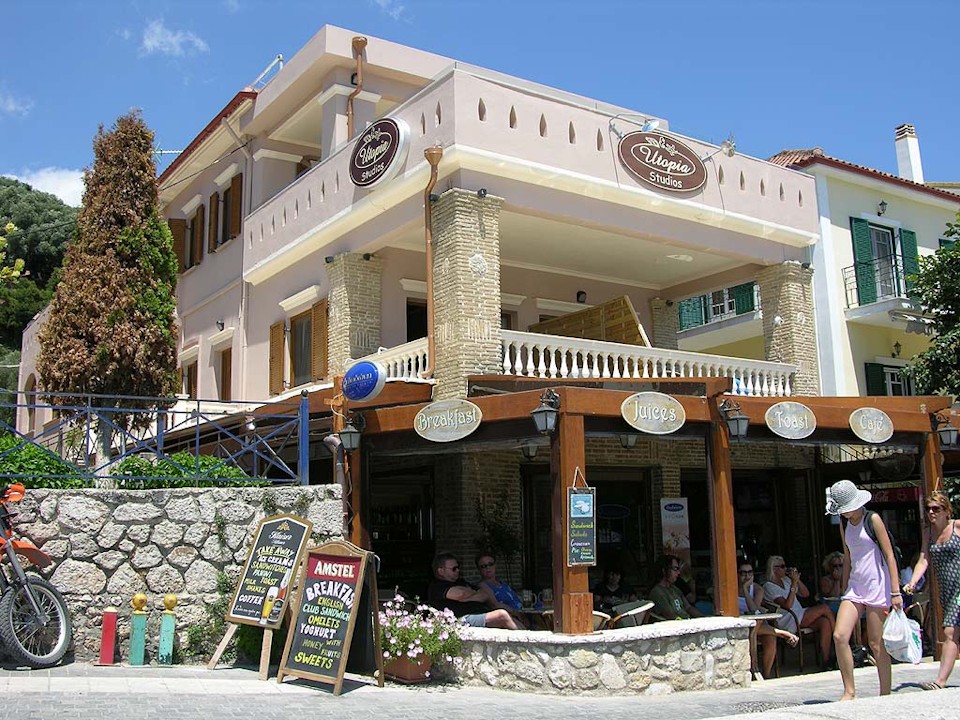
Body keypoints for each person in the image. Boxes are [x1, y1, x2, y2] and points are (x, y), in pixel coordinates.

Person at [826, 479, 902, 700]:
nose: (844, 513)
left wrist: (895, 591)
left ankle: (885, 692)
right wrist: (844, 587)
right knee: (840, 635)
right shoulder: (844, 524)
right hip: (855, 586)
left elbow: (889, 555)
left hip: (877, 584)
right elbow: (848, 556)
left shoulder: (873, 519)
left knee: (876, 643)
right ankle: (849, 691)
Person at [903, 491, 960, 691]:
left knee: (950, 631)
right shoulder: (929, 533)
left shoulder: (957, 527)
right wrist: (913, 581)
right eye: (928, 509)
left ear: (947, 511)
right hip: (947, 590)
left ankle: (940, 681)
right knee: (954, 632)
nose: (931, 512)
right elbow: (924, 559)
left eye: (936, 508)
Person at [764, 554, 835, 668]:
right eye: (782, 566)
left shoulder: (786, 580)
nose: (785, 568)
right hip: (789, 619)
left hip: (799, 614)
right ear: (774, 569)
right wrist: (793, 584)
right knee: (824, 608)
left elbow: (805, 594)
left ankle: (826, 660)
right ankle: (838, 638)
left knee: (825, 622)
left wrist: (797, 580)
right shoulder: (769, 586)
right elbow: (787, 605)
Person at [739, 560, 798, 679]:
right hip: (741, 624)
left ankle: (765, 675)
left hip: (757, 624)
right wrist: (744, 588)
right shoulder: (730, 589)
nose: (747, 576)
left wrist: (746, 590)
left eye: (750, 572)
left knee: (770, 639)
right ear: (737, 574)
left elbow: (754, 610)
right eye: (743, 573)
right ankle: (782, 633)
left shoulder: (758, 589)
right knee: (752, 628)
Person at [427, 552, 518, 629]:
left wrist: (465, 599)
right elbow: (461, 594)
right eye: (454, 569)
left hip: (480, 613)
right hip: (461, 619)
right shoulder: (437, 586)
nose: (458, 570)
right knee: (501, 616)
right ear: (441, 571)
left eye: (458, 567)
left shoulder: (461, 582)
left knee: (514, 618)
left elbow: (485, 594)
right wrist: (472, 593)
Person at [649, 555, 703, 620]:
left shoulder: (675, 589)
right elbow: (670, 615)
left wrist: (704, 618)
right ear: (664, 570)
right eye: (675, 569)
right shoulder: (657, 592)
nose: (678, 572)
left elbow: (688, 607)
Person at [819, 551, 845, 616]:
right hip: (832, 610)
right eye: (835, 566)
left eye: (840, 565)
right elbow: (834, 597)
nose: (838, 568)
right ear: (829, 567)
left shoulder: (849, 578)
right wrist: (837, 580)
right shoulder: (825, 580)